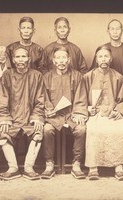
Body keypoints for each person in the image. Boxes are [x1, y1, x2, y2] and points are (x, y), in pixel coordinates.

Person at [0, 47, 45, 181]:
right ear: (13, 59)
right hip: (12, 118)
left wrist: (37, 118)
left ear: (29, 59)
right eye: (17, 57)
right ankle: (13, 168)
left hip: (30, 118)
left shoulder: (36, 75)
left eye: (23, 57)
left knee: (38, 132)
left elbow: (41, 100)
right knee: (3, 132)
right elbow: (1, 99)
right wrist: (4, 118)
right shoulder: (7, 75)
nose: (20, 60)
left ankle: (29, 167)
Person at [83, 46, 123, 181]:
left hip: (112, 113)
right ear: (96, 59)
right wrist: (87, 108)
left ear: (111, 59)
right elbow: (80, 98)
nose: (103, 59)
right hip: (95, 114)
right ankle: (93, 168)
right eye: (100, 56)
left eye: (106, 56)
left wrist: (119, 110)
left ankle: (119, 167)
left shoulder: (118, 77)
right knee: (93, 130)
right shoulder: (88, 77)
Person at [41, 46, 87, 179]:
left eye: (64, 58)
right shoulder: (47, 77)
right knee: (47, 130)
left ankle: (76, 163)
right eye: (58, 58)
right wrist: (48, 109)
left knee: (81, 129)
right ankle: (49, 163)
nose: (61, 61)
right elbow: (44, 97)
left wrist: (79, 112)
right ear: (54, 61)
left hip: (71, 115)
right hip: (54, 117)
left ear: (69, 60)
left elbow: (81, 97)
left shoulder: (77, 76)